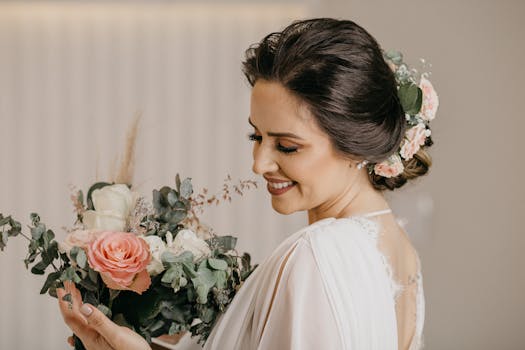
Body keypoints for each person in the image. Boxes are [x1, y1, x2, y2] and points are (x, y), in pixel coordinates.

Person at [58, 18, 432, 350]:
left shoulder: (316, 252)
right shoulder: (398, 249)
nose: (259, 164)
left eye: (287, 145)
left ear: (356, 146)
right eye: (256, 137)